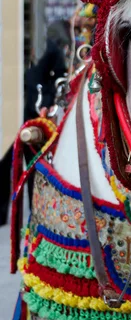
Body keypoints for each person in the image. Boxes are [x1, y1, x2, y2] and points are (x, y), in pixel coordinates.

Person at [0, 20, 71, 225]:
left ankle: (35, 212)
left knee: (33, 164)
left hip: (34, 114)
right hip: (13, 110)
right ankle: (3, 212)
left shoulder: (50, 49)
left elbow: (59, 78)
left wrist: (48, 104)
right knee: (5, 163)